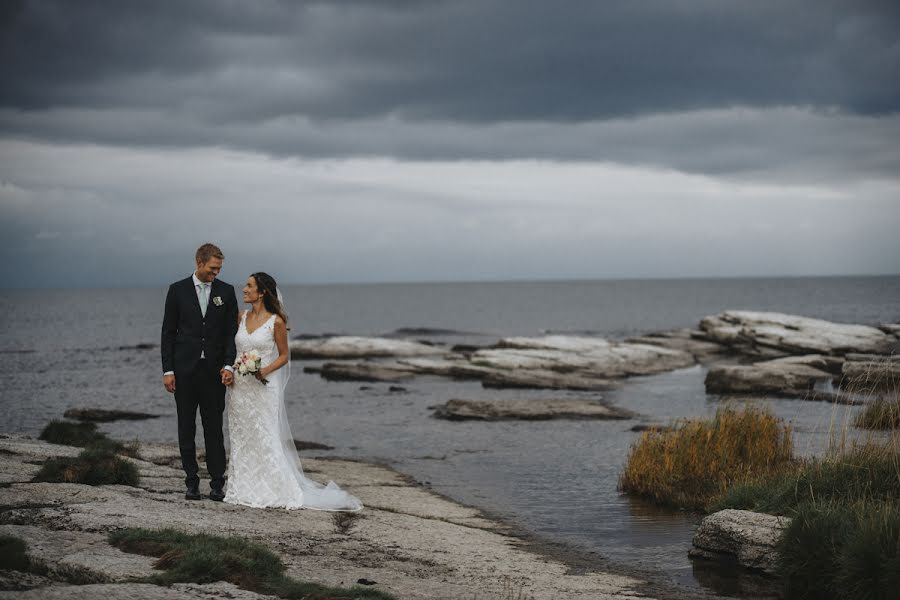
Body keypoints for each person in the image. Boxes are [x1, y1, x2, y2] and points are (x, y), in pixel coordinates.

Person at [224, 271, 362, 511]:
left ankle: (275, 489)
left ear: (262, 291)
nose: (244, 289)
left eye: (249, 286)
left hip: (263, 388)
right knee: (242, 436)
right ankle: (242, 486)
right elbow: (233, 350)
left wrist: (265, 370)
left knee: (265, 435)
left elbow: (285, 356)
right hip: (239, 387)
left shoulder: (276, 321)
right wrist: (230, 369)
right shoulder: (240, 317)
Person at [161, 243, 238, 501]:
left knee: (213, 429)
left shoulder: (226, 292)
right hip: (184, 372)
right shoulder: (177, 290)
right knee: (186, 427)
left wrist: (228, 365)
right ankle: (191, 481)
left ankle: (218, 483)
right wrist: (168, 370)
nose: (215, 273)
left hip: (214, 373)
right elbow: (168, 334)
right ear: (199, 262)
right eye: (212, 269)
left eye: (219, 269)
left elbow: (230, 334)